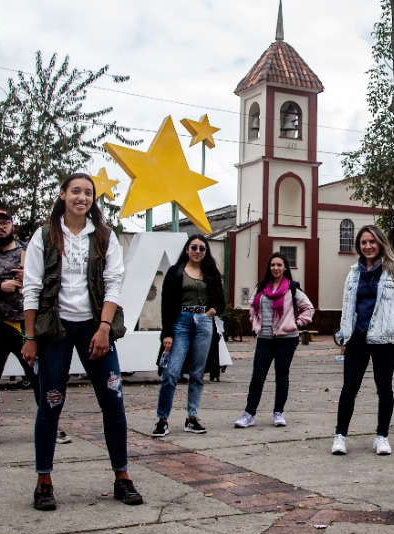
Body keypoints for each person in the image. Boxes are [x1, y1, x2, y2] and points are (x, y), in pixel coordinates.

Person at [20, 173, 142, 510]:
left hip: (95, 328)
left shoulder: (103, 236)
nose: (82, 197)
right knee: (51, 404)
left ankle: (122, 477)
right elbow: (31, 289)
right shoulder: (44, 236)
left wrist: (104, 328)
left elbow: (114, 282)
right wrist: (29, 337)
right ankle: (43, 482)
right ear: (62, 195)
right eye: (75, 191)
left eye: (88, 193)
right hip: (55, 331)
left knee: (113, 403)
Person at [0, 207, 70, 448]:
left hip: (27, 328)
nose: (1, 227)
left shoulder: (29, 251)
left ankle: (51, 424)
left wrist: (32, 279)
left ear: (12, 225)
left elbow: (53, 283)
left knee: (40, 378)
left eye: (5, 223)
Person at [332, 225, 394, 456]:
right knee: (349, 387)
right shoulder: (353, 272)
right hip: (357, 338)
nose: (368, 246)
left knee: (384, 388)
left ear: (380, 243)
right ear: (359, 246)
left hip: (386, 339)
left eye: (372, 242)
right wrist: (344, 335)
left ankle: (381, 437)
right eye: (363, 243)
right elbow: (348, 306)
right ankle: (340, 435)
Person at [154, 234, 225, 437]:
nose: (197, 251)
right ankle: (162, 419)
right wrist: (167, 334)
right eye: (194, 247)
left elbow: (220, 302)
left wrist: (210, 312)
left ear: (206, 252)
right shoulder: (175, 272)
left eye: (202, 248)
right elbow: (166, 303)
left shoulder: (211, 273)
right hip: (181, 322)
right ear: (187, 249)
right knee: (171, 373)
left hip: (203, 323)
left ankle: (192, 418)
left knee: (197, 374)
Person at [235, 253, 316, 428]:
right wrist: (255, 324)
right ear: (269, 267)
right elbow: (252, 307)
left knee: (281, 377)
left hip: (286, 339)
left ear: (285, 267)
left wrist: (295, 323)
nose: (276, 268)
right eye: (273, 265)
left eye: (279, 265)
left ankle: (278, 412)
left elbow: (309, 308)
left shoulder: (292, 289)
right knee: (257, 377)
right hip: (264, 339)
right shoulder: (262, 287)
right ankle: (249, 414)